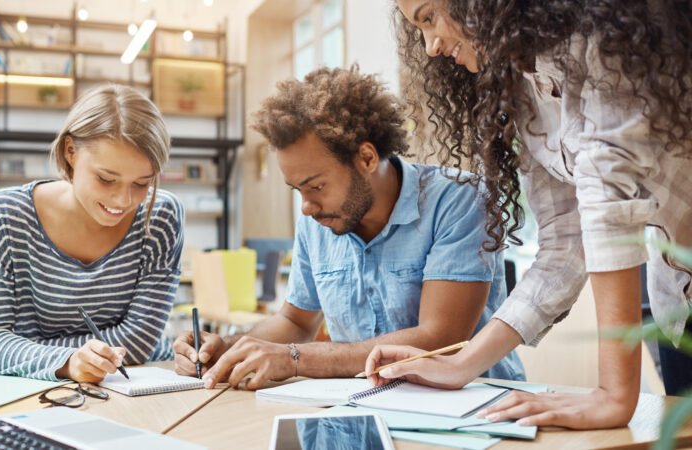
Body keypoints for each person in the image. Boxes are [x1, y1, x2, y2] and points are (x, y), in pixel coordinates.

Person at [365, 0, 692, 429]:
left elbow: (607, 201)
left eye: (429, 17)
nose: (429, 46)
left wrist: (615, 393)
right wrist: (461, 364)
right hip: (679, 306)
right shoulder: (522, 85)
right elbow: (564, 243)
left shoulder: (601, 38)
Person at [173, 66, 524, 389]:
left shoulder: (458, 200)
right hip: (365, 404)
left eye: (316, 186)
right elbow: (296, 322)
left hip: (472, 407)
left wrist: (295, 360)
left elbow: (441, 339)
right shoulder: (317, 221)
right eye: (298, 190)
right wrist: (230, 349)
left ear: (367, 158)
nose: (307, 207)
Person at [0, 85, 183, 382]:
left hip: (138, 381)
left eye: (142, 183)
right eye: (106, 179)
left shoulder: (160, 216)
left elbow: (138, 340)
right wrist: (67, 362)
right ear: (70, 151)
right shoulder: (6, 215)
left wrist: (25, 353)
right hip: (37, 393)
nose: (123, 200)